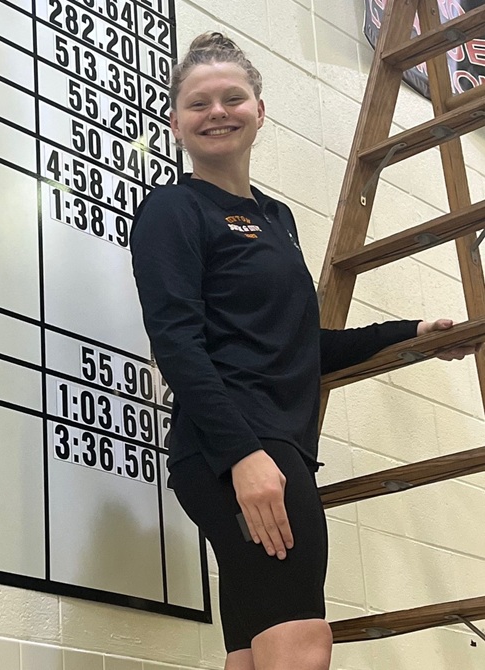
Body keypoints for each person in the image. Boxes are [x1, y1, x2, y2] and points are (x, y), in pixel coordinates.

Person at [129, 32, 476, 670]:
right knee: (301, 644)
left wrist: (409, 333)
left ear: (260, 110)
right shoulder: (172, 209)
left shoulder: (276, 217)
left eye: (233, 98)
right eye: (199, 103)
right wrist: (243, 456)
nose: (217, 112)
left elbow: (299, 345)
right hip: (238, 449)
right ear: (176, 122)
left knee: (254, 651)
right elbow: (175, 341)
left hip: (263, 447)